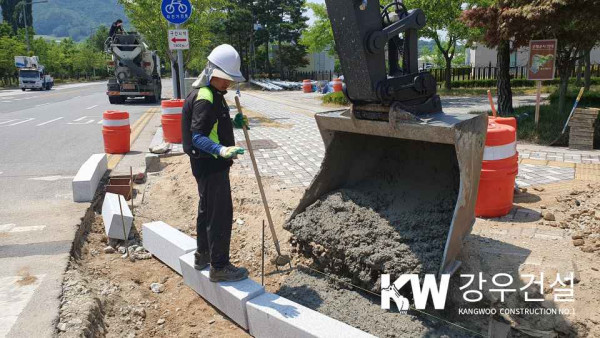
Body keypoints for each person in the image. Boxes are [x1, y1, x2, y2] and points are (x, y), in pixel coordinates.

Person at [181, 44, 250, 282]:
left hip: (206, 165)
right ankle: (219, 266)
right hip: (211, 165)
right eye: (225, 78)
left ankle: (203, 256)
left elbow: (213, 125)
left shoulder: (212, 93)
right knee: (219, 213)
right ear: (213, 72)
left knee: (207, 209)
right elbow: (198, 136)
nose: (228, 83)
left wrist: (235, 123)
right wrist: (221, 150)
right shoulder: (205, 97)